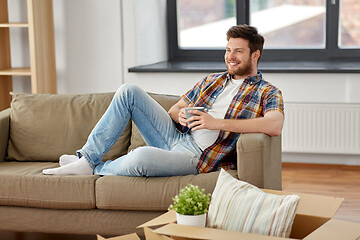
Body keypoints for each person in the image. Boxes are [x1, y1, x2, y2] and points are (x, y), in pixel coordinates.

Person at [42, 24, 284, 177]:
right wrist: (178, 114)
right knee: (129, 90)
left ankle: (94, 168)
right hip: (175, 137)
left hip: (196, 157)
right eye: (228, 50)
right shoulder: (213, 80)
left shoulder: (267, 91)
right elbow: (176, 108)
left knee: (141, 157)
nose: (230, 57)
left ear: (255, 54)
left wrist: (216, 123)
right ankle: (87, 158)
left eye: (238, 51)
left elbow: (274, 124)